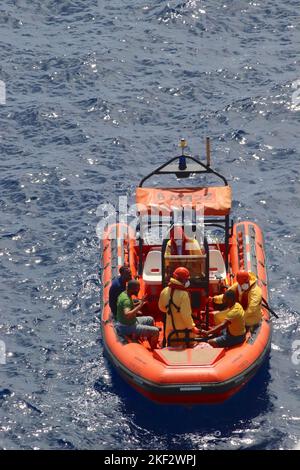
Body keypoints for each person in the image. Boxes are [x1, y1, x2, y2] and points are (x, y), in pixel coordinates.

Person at [158, 267, 200, 346]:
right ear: (184, 280)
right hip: (184, 334)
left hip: (170, 334)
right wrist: (193, 328)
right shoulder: (184, 294)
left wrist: (171, 311)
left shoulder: (164, 291)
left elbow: (161, 307)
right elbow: (186, 315)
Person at [116, 279, 159, 349]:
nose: (139, 290)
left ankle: (149, 338)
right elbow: (127, 314)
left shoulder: (124, 294)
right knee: (156, 331)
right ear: (133, 289)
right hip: (127, 327)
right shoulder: (126, 300)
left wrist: (142, 302)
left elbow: (130, 305)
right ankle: (154, 349)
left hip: (132, 321)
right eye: (138, 289)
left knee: (150, 319)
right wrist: (140, 305)